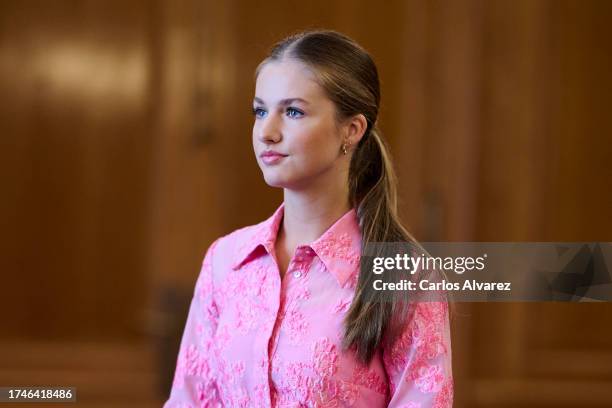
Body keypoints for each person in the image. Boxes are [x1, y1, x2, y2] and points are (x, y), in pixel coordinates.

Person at [164, 29, 453, 407]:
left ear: (351, 130)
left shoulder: (404, 275)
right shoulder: (225, 261)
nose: (266, 132)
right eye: (260, 111)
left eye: (294, 112)